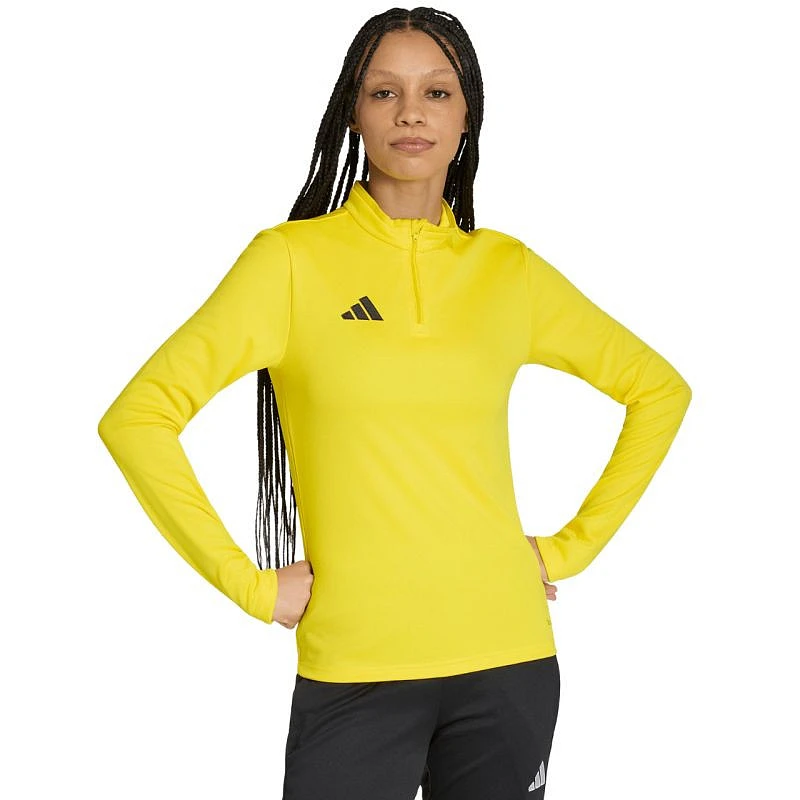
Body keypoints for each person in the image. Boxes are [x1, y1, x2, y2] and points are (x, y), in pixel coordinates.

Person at [97, 7, 692, 799]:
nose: (412, 113)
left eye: (436, 92)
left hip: (509, 661)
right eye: (385, 92)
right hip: (357, 671)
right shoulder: (290, 263)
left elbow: (658, 388)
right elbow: (138, 417)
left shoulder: (508, 271)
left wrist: (568, 551)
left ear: (467, 116)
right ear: (355, 111)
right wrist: (251, 585)